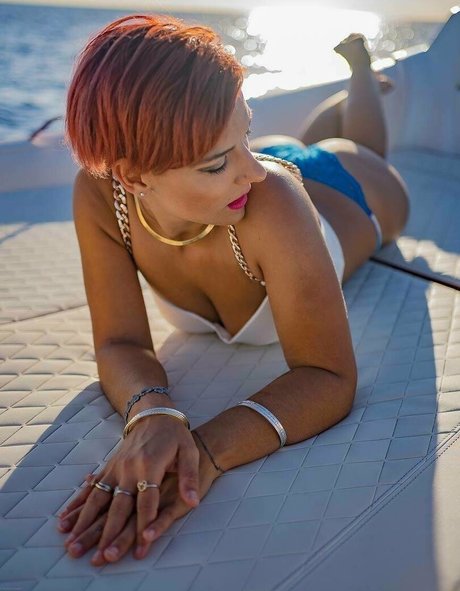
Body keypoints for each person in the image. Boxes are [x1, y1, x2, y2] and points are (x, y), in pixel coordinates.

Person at [56, 15, 409, 566]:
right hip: (236, 181)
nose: (253, 172)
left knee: (354, 148)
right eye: (216, 161)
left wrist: (202, 451)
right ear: (133, 177)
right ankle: (286, 127)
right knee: (284, 149)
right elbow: (120, 342)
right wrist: (152, 414)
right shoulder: (102, 196)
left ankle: (360, 70)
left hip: (354, 191)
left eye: (244, 132)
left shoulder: (269, 194)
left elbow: (329, 376)